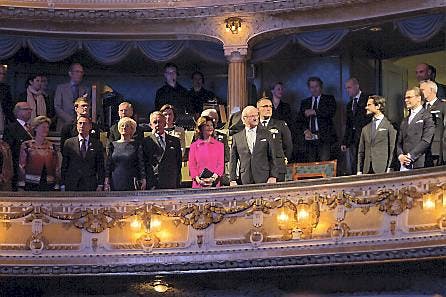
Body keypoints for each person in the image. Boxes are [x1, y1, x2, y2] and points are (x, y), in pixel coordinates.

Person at [230, 106, 277, 185]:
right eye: (252, 116)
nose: (256, 118)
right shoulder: (237, 137)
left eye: (257, 115)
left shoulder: (266, 134)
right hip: (245, 177)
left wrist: (273, 176)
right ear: (244, 119)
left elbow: (272, 157)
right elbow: (233, 160)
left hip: (263, 176)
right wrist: (232, 179)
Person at [60, 115, 104, 191]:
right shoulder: (69, 143)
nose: (82, 126)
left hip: (90, 184)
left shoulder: (97, 144)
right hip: (72, 184)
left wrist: (100, 184)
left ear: (90, 126)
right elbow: (64, 165)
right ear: (76, 125)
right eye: (80, 123)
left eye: (84, 123)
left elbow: (100, 166)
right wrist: (63, 184)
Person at [299, 76, 337, 162]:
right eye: (312, 87)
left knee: (324, 163)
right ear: (309, 88)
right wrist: (305, 131)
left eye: (316, 86)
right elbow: (299, 121)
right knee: (311, 164)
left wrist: (315, 112)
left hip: (325, 138)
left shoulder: (329, 99)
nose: (314, 89)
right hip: (309, 140)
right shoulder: (305, 102)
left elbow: (331, 112)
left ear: (321, 87)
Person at [397, 87, 435, 170]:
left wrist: (410, 156)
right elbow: (399, 142)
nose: (406, 100)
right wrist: (400, 155)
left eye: (409, 97)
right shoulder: (405, 120)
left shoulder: (427, 116)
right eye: (405, 98)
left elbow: (426, 140)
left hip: (420, 163)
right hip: (404, 165)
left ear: (418, 98)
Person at [357, 95, 396, 174]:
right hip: (366, 169)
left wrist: (390, 167)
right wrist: (359, 170)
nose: (366, 107)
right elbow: (361, 151)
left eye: (369, 105)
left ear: (378, 106)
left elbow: (392, 148)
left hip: (382, 168)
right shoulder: (365, 128)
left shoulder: (389, 125)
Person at [18, 116, 59, 191]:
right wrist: (21, 183)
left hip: (48, 182)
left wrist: (57, 184)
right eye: (43, 127)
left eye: (47, 127)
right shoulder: (27, 145)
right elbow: (21, 166)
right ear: (36, 128)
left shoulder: (52, 146)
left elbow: (56, 166)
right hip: (30, 183)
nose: (46, 130)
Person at [143, 111, 182, 189]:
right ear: (151, 125)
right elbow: (144, 163)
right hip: (153, 182)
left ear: (164, 124)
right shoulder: (146, 141)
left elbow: (178, 162)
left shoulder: (175, 141)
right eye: (155, 122)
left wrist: (177, 179)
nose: (157, 124)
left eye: (160, 122)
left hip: (170, 181)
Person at [257, 96, 293, 182]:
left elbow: (288, 146)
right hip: (260, 169)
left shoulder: (280, 125)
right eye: (265, 106)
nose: (268, 109)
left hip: (278, 167)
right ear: (258, 109)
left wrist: (284, 159)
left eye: (270, 106)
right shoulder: (255, 126)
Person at [104, 117, 145, 191]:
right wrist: (106, 180)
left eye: (127, 126)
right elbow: (108, 164)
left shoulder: (136, 144)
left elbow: (141, 163)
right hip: (115, 179)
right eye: (122, 126)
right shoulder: (112, 145)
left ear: (132, 129)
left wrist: (143, 179)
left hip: (131, 179)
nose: (124, 128)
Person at [341, 78, 372, 175]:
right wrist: (345, 142)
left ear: (357, 86)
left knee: (367, 159)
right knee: (356, 161)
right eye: (346, 88)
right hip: (354, 138)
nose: (347, 90)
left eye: (349, 87)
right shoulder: (350, 104)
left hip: (367, 135)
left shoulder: (367, 98)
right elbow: (349, 124)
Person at [3, 102, 33, 191]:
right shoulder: (11, 128)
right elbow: (8, 150)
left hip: (31, 167)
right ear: (17, 112)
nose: (29, 111)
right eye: (26, 109)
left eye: (30, 109)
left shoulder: (31, 127)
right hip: (17, 167)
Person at [188, 116, 224, 188]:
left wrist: (212, 179)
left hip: (214, 184)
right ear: (201, 127)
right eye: (207, 125)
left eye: (211, 125)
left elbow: (221, 165)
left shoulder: (220, 145)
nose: (210, 127)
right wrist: (199, 180)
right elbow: (192, 166)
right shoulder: (194, 146)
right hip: (198, 184)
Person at [154, 63, 192, 128]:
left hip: (181, 123)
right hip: (165, 124)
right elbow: (157, 110)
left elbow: (189, 108)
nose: (171, 75)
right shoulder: (160, 92)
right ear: (165, 75)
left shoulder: (184, 91)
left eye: (173, 72)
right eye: (169, 73)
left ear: (177, 74)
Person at [54, 63, 89, 131]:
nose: (79, 74)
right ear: (70, 73)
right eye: (77, 71)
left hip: (81, 126)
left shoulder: (85, 90)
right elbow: (57, 107)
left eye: (81, 72)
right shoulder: (61, 88)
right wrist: (69, 119)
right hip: (63, 125)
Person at [419, 80, 446, 166]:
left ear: (431, 90)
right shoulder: (420, 107)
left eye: (422, 90)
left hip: (436, 149)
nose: (420, 92)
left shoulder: (443, 105)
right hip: (421, 150)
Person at [0, 65, 15, 132]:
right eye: (0, 73)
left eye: (3, 74)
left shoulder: (5, 89)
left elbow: (9, 108)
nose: (2, 76)